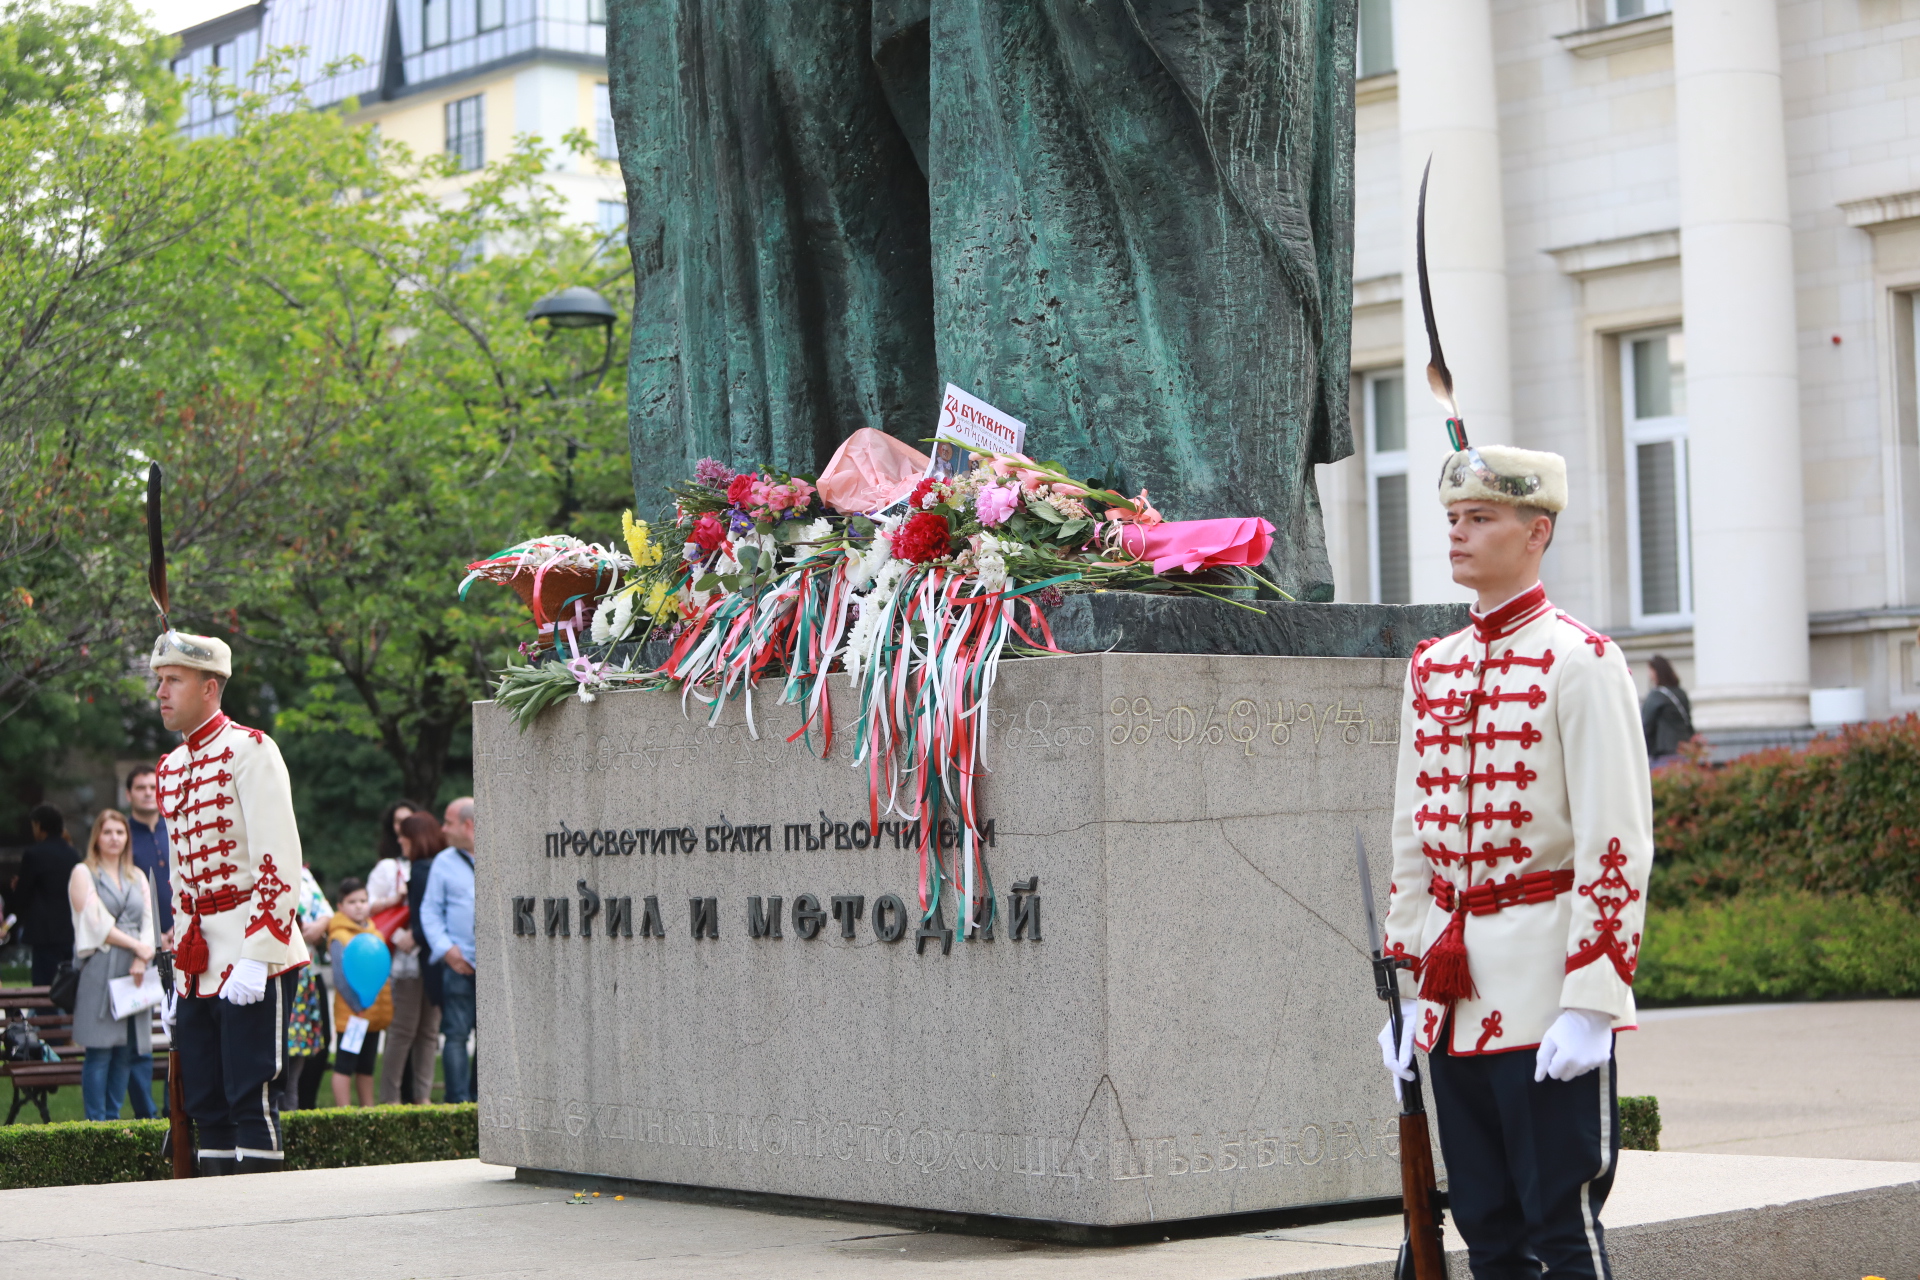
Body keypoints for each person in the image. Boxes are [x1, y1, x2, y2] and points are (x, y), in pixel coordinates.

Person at [1378, 443, 1653, 1279]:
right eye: (1453, 519)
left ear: (1537, 533)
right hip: (1452, 1001)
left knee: (1559, 1229)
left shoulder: (1582, 659)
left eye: (1481, 519)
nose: (1458, 536)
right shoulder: (1433, 667)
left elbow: (1618, 841)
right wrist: (1406, 983)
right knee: (1486, 1232)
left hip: (1546, 994)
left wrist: (1594, 1000)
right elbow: (1411, 834)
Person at [152, 630, 308, 1175]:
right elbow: (180, 877)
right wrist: (178, 966)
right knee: (205, 1101)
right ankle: (214, 1223)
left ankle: (259, 1229)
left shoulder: (252, 749)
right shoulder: (171, 768)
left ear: (210, 687)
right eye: (159, 681)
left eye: (173, 680)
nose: (161, 692)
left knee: (251, 1096)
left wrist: (258, 954)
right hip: (198, 959)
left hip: (251, 950)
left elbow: (278, 859)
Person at [67, 809, 160, 1121]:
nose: (114, 838)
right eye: (107, 832)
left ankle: (113, 1118)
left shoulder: (136, 876)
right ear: (97, 837)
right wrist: (139, 946)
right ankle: (96, 1120)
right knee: (100, 1049)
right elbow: (96, 923)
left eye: (120, 833)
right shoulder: (83, 873)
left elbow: (150, 920)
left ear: (126, 838)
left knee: (125, 1051)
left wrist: (141, 957)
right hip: (100, 966)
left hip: (135, 970)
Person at [379, 813, 445, 1105]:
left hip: (414, 962)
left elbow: (424, 919)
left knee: (403, 1031)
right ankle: (423, 1099)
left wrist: (414, 937)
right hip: (437, 961)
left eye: (404, 835)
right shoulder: (441, 867)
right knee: (428, 1033)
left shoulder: (419, 870)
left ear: (415, 838)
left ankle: (390, 1100)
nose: (400, 840)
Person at [422, 797, 476, 1104]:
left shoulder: (504, 854)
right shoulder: (443, 862)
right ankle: (457, 1105)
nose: (443, 829)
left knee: (496, 1039)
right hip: (458, 964)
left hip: (498, 968)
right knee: (455, 1036)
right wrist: (447, 951)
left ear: (468, 825)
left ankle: (487, 1100)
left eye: (448, 822)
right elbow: (430, 912)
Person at [326, 878, 392, 1107]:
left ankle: (368, 1111)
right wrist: (358, 1007)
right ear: (340, 906)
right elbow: (340, 978)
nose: (359, 906)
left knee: (367, 1067)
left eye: (363, 900)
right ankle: (343, 1112)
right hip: (352, 1017)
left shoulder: (377, 935)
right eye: (352, 901)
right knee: (344, 1065)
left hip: (373, 1017)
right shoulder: (339, 937)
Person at [280, 865, 334, 1112]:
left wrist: (318, 927)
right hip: (275, 975)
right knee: (278, 1060)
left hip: (303, 978)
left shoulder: (302, 872)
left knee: (299, 1056)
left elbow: (325, 910)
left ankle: (294, 1118)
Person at [15, 804, 80, 986]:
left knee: (44, 985)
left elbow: (23, 894)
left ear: (38, 825)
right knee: (68, 984)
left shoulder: (34, 854)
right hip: (70, 930)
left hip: (44, 932)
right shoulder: (73, 854)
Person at [125, 766, 174, 949]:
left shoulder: (177, 830)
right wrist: (151, 935)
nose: (148, 793)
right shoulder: (121, 837)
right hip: (138, 940)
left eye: (153, 788)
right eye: (140, 788)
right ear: (128, 794)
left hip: (183, 933)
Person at [367, 799, 422, 917]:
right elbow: (367, 904)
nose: (403, 826)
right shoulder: (388, 866)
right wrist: (394, 899)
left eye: (408, 821)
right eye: (398, 821)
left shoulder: (429, 863)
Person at [1641, 655, 1694, 769]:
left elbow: (1646, 725)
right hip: (1685, 751)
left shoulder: (1656, 695)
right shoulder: (1681, 693)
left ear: (1655, 672)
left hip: (1664, 753)